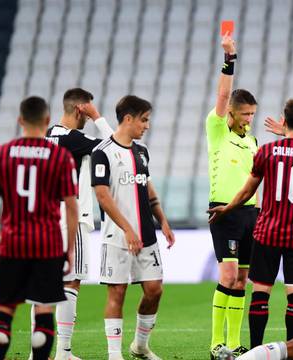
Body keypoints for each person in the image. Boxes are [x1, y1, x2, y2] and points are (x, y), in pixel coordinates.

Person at [208, 99, 293, 347]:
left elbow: (247, 191)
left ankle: (257, 348)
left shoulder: (267, 151)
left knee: (260, 292)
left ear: (284, 121)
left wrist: (228, 207)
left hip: (268, 231)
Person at [0, 96, 78, 360]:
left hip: (12, 244)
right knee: (44, 311)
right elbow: (71, 207)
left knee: (4, 310)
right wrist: (69, 248)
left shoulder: (1, 154)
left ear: (20, 120)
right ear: (47, 120)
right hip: (47, 244)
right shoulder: (60, 157)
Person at [91, 95, 175, 360]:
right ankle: (114, 355)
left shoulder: (141, 152)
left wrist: (163, 220)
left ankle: (140, 346)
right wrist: (127, 229)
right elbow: (102, 196)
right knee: (117, 291)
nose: (146, 126)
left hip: (146, 237)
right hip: (117, 236)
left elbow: (148, 190)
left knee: (154, 290)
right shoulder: (102, 152)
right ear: (128, 118)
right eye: (144, 119)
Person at [36, 88, 113, 360]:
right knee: (72, 281)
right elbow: (116, 146)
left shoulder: (45, 136)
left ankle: (38, 354)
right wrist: (98, 117)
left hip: (42, 218)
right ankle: (63, 353)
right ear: (81, 109)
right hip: (71, 217)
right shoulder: (75, 139)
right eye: (88, 109)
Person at [206, 33, 259, 358]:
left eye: (253, 115)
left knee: (241, 280)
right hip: (223, 211)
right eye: (245, 114)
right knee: (227, 275)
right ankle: (215, 343)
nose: (249, 120)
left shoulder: (253, 142)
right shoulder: (217, 129)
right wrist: (230, 59)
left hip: (250, 213)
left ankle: (235, 343)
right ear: (231, 114)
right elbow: (224, 93)